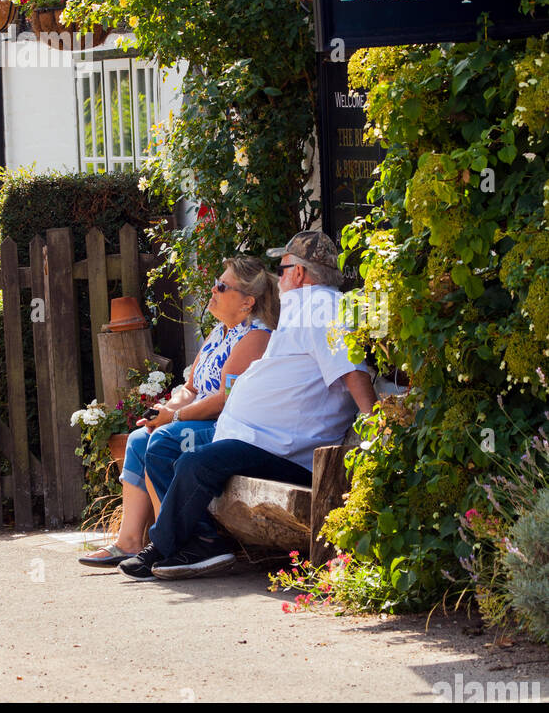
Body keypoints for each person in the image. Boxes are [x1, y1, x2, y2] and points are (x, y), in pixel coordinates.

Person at [119, 231, 377, 581]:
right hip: (258, 440)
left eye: (282, 269)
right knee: (169, 450)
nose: (279, 280)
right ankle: (201, 541)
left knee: (195, 461)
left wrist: (376, 423)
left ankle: (161, 548)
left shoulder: (319, 306)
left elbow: (350, 367)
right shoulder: (303, 310)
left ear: (299, 273)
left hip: (286, 452)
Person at [79, 257, 277, 568]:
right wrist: (167, 409)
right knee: (137, 438)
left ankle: (173, 543)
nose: (213, 289)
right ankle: (130, 541)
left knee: (165, 439)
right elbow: (192, 387)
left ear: (247, 302)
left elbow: (225, 400)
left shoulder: (256, 336)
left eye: (222, 286)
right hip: (199, 419)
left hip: (227, 427)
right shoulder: (219, 334)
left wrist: (172, 419)